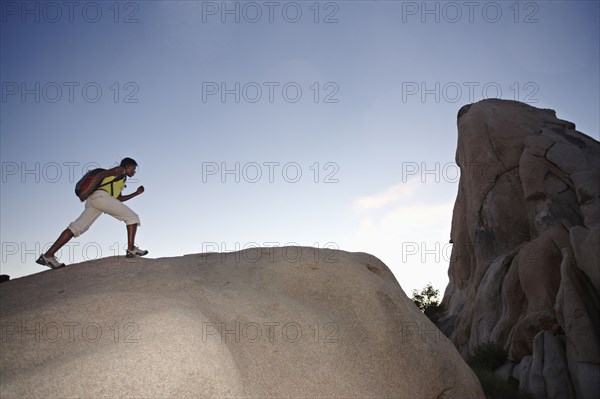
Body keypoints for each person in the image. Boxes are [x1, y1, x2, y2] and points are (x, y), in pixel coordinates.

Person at [37, 157, 148, 269]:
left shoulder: (121, 179)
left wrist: (136, 193)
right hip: (100, 197)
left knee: (75, 228)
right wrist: (86, 192)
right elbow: (101, 175)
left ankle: (48, 256)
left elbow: (119, 199)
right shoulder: (120, 170)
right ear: (128, 166)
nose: (134, 171)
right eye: (134, 168)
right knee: (132, 218)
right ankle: (131, 250)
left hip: (96, 201)